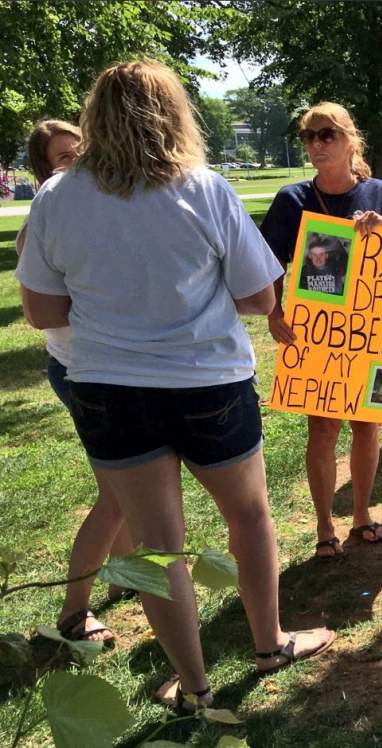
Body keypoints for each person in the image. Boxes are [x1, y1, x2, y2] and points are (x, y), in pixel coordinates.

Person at [16, 59, 333, 712]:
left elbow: (43, 313)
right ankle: (269, 644)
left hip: (108, 389)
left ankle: (193, 687)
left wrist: (114, 308)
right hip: (208, 383)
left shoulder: (56, 196)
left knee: (158, 549)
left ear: (93, 119)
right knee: (248, 516)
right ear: (176, 114)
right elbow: (256, 297)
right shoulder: (206, 188)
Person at [259, 101, 382, 559]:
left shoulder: (380, 193)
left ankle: (364, 517)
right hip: (319, 334)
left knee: (368, 427)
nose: (316, 144)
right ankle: (326, 528)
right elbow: (270, 261)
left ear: (351, 139)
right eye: (309, 136)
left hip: (371, 330)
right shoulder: (293, 200)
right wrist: (276, 311)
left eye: (327, 134)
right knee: (323, 430)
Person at [17, 119, 135, 647]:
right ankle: (73, 612)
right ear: (45, 169)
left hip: (102, 366)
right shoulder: (45, 216)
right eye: (64, 157)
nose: (77, 161)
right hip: (81, 369)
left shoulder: (90, 207)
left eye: (81, 149)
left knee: (126, 486)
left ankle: (131, 573)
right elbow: (39, 313)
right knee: (117, 495)